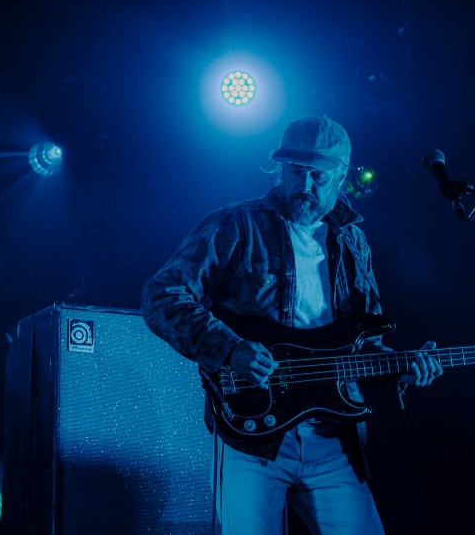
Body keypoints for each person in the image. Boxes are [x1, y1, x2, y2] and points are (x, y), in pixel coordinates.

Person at [141, 115, 442, 535]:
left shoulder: (353, 242)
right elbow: (161, 294)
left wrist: (400, 369)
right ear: (279, 170)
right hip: (251, 433)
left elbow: (362, 345)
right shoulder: (235, 225)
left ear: (341, 177)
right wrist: (229, 348)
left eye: (318, 176)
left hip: (334, 436)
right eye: (296, 172)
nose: (305, 186)